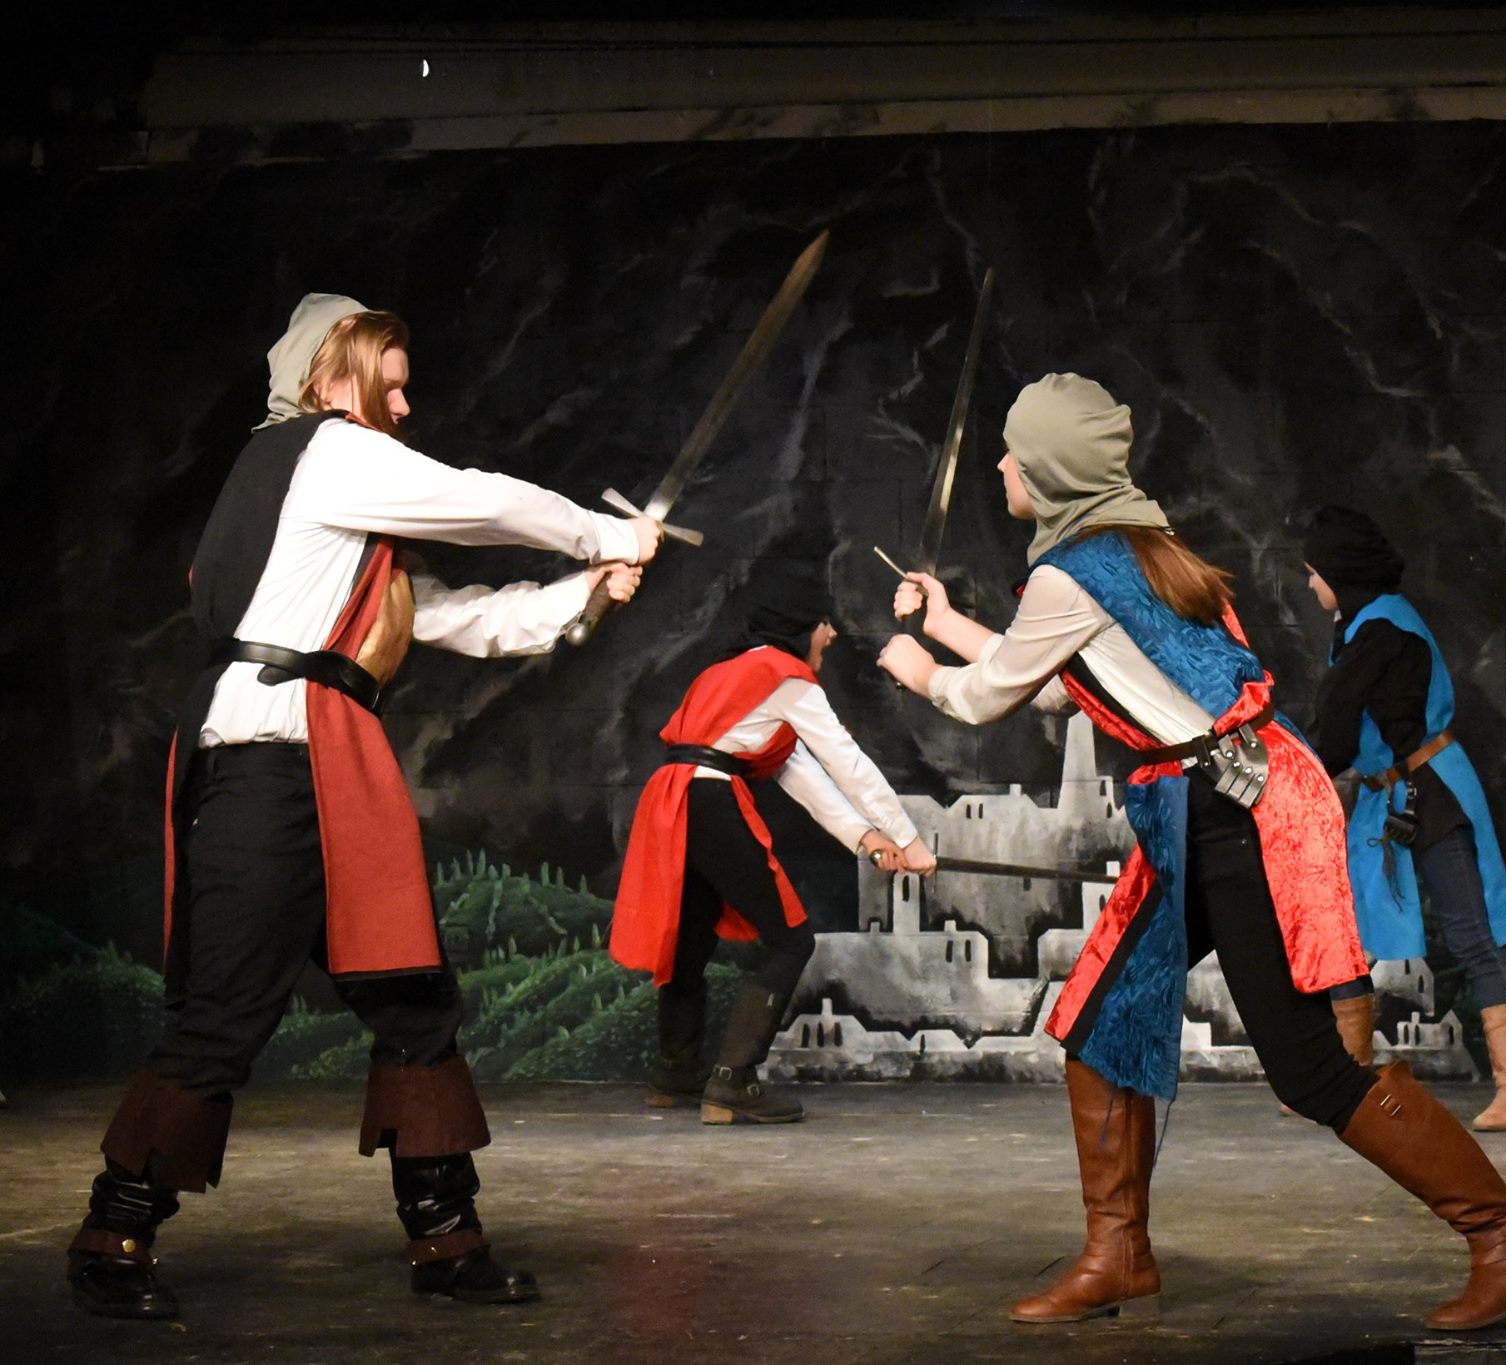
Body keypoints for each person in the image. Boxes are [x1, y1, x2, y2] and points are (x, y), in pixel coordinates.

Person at [877, 373, 1506, 1331]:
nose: (999, 466)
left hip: (1233, 814)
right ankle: (1118, 1253)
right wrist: (947, 620)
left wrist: (919, 669)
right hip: (1216, 801)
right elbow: (1071, 679)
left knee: (1308, 1068)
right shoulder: (1135, 549)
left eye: (1013, 452)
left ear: (1051, 468)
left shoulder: (1074, 573)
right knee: (1101, 1016)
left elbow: (994, 693)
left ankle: (1505, 1236)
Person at [66, 293, 661, 1320]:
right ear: (333, 375)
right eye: (394, 379)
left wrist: (590, 590)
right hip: (270, 772)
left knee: (412, 1003)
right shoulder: (326, 451)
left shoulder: (328, 509)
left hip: (324, 770)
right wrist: (604, 531)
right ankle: (111, 1235)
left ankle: (447, 1241)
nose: (407, 401)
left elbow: (453, 618)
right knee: (223, 1013)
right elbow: (480, 502)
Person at [611, 556, 936, 1125]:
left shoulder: (726, 672)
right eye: (824, 622)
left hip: (673, 798)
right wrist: (909, 839)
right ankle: (732, 1081)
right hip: (708, 798)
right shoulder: (784, 674)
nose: (831, 634)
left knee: (691, 938)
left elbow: (796, 771)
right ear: (800, 626)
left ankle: (676, 1070)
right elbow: (847, 763)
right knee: (790, 940)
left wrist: (867, 836)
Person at [1301, 505, 1506, 1130]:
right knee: (1348, 939)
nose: (1310, 583)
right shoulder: (1365, 624)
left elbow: (1337, 732)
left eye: (1314, 571)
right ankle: (1344, 1085)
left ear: (1339, 572)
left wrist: (1290, 774)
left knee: (1472, 934)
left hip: (1428, 790)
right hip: (1386, 796)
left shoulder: (1382, 631)